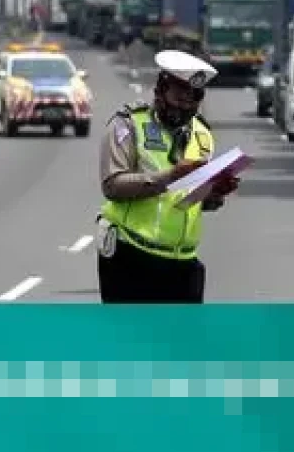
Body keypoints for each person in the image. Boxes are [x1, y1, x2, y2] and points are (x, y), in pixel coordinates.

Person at [96, 50, 240, 303]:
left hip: (182, 262)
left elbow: (189, 201)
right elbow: (112, 185)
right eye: (180, 95)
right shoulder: (128, 125)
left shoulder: (202, 134)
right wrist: (170, 177)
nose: (186, 104)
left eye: (194, 97)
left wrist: (215, 194)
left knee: (182, 342)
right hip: (131, 257)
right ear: (160, 90)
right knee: (130, 341)